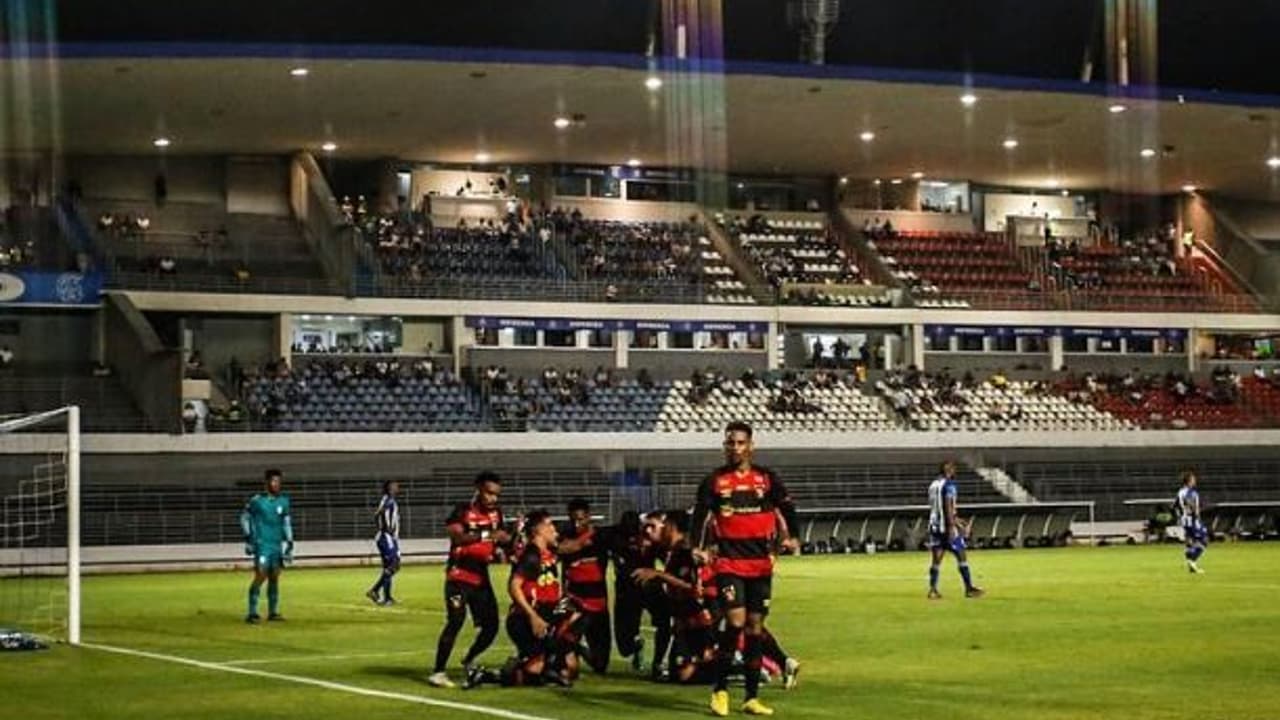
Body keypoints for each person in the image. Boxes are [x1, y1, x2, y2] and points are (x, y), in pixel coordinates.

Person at [692, 421, 800, 717]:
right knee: (736, 622)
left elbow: (787, 508)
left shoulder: (766, 479)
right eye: (730, 443)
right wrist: (697, 547)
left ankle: (751, 697)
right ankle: (720, 690)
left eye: (741, 443)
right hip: (729, 563)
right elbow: (700, 516)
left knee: (754, 627)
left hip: (761, 565)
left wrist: (792, 537)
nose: (735, 448)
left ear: (751, 446)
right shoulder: (714, 481)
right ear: (725, 446)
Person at [464, 510, 583, 689]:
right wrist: (532, 617)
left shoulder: (549, 552)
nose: (554, 529)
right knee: (534, 673)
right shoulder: (532, 555)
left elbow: (570, 548)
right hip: (526, 619)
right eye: (550, 525)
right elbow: (514, 586)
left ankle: (548, 663)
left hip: (546, 613)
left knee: (570, 666)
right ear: (538, 530)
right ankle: (488, 676)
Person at [429, 472, 510, 688]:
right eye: (489, 493)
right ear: (478, 489)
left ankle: (469, 659)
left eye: (496, 495)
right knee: (455, 621)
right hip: (459, 576)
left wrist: (502, 549)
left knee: (492, 626)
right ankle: (438, 672)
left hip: (481, 577)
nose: (493, 499)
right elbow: (457, 537)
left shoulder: (497, 514)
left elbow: (500, 540)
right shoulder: (462, 510)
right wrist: (488, 536)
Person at [555, 498, 613, 673]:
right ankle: (567, 648)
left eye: (580, 519)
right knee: (569, 665)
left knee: (600, 665)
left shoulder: (601, 537)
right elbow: (561, 550)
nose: (577, 523)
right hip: (576, 602)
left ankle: (577, 647)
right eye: (573, 519)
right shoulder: (565, 536)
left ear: (588, 517)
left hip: (599, 603)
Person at [239, 469, 294, 623]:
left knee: (275, 577)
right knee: (260, 575)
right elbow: (244, 517)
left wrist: (290, 542)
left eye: (278, 482)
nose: (277, 484)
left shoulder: (283, 501)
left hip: (276, 545)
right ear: (266, 483)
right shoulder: (257, 501)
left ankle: (273, 612)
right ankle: (252, 612)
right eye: (274, 481)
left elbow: (286, 523)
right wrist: (248, 537)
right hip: (262, 544)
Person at [926, 461, 984, 600]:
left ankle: (933, 590)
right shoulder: (949, 485)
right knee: (961, 555)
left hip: (935, 526)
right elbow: (948, 506)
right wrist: (952, 526)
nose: (954, 470)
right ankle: (969, 588)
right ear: (947, 469)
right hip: (946, 526)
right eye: (952, 468)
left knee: (936, 559)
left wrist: (958, 520)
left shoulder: (933, 485)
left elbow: (936, 507)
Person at [366, 480, 401, 606]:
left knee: (388, 568)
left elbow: (377, 514)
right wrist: (386, 529)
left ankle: (387, 598)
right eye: (395, 485)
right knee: (395, 564)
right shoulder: (388, 500)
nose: (398, 487)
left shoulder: (387, 499)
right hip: (387, 537)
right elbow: (378, 513)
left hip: (388, 537)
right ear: (390, 488)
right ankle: (374, 590)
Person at [1176, 471, 1207, 574]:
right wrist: (1196, 513)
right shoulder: (1191, 492)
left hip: (1185, 520)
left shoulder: (1180, 492)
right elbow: (1190, 504)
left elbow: (1175, 506)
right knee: (1204, 540)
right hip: (1192, 519)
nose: (1195, 480)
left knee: (1190, 542)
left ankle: (1191, 565)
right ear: (1189, 480)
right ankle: (1192, 562)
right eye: (1193, 479)